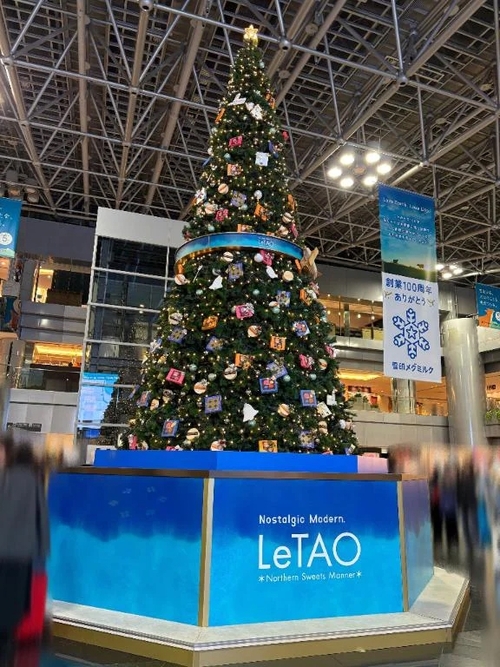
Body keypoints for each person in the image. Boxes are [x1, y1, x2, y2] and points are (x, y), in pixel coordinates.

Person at [0, 436, 49, 665]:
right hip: (22, 554)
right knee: (13, 609)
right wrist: (42, 548)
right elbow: (41, 515)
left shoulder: (9, 479)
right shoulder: (33, 479)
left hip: (8, 553)